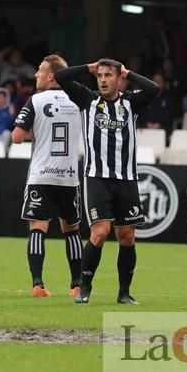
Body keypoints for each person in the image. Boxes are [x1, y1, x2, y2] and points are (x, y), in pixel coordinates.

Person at [56, 58, 160, 305]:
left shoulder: (131, 102)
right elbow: (61, 77)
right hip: (97, 178)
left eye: (108, 75)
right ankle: (85, 287)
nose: (102, 80)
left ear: (118, 79)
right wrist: (88, 68)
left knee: (127, 236)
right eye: (100, 75)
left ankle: (124, 293)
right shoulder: (87, 99)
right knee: (100, 233)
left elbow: (154, 89)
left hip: (126, 179)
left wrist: (129, 73)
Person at [11, 55, 84, 298]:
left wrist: (40, 134)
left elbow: (17, 137)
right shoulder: (79, 101)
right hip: (69, 176)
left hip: (42, 174)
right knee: (71, 230)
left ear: (51, 76)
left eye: (40, 71)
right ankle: (76, 285)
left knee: (37, 229)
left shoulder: (36, 100)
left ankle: (38, 285)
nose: (36, 75)